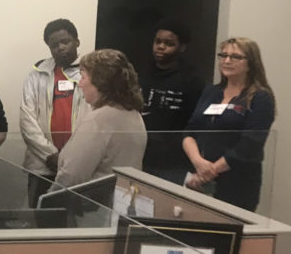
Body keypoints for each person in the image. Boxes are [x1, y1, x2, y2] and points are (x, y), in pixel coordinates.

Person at [183, 37, 276, 211]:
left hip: (237, 183)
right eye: (223, 55)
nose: (227, 61)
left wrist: (209, 173)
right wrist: (198, 162)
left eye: (235, 57)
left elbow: (251, 144)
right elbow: (190, 132)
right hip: (199, 176)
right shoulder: (211, 92)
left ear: (251, 63)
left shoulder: (260, 98)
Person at [48, 49, 147, 191]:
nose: (80, 84)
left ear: (100, 82)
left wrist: (46, 203)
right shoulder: (133, 114)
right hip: (119, 202)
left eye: (83, 77)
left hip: (92, 207)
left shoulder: (98, 120)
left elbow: (72, 177)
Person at [19, 18, 89, 207]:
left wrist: (72, 157)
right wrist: (50, 155)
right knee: (40, 218)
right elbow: (27, 120)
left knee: (77, 222)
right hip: (43, 165)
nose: (60, 48)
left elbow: (96, 118)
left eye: (65, 41)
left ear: (77, 41)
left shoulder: (92, 73)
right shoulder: (37, 74)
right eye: (54, 45)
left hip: (78, 164)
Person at [139, 20, 206, 185]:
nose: (161, 47)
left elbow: (196, 124)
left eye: (169, 43)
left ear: (182, 47)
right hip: (142, 154)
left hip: (173, 161)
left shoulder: (192, 80)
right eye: (158, 42)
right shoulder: (141, 74)